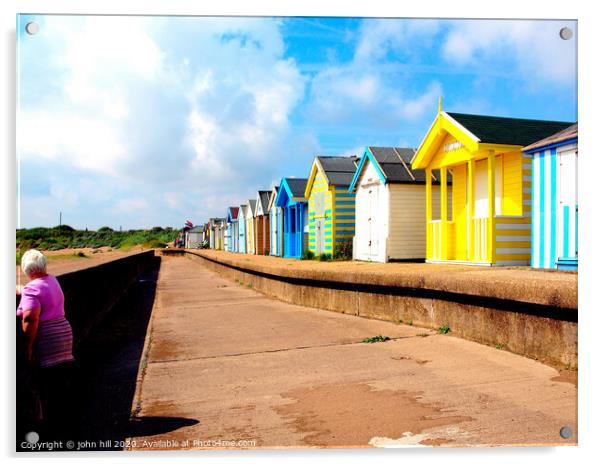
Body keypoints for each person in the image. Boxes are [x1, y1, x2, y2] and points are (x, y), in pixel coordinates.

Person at [16, 249, 75, 441]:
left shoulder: (31, 289)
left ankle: (51, 433)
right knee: (60, 382)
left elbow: (30, 319)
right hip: (64, 333)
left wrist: (28, 347)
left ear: (26, 269)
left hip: (48, 338)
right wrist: (22, 290)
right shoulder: (52, 281)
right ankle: (64, 427)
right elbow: (37, 291)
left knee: (45, 386)